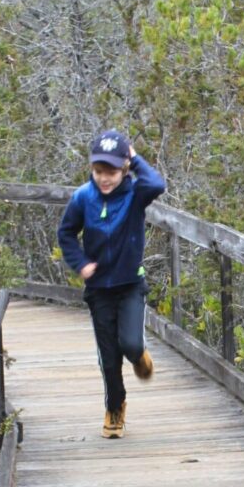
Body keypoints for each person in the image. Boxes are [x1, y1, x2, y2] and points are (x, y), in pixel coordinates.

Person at [57, 129, 167, 437]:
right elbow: (66, 233)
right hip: (99, 290)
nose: (105, 178)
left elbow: (157, 184)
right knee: (108, 359)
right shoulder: (83, 198)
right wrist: (81, 264)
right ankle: (115, 409)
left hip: (130, 284)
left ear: (124, 169)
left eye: (112, 171)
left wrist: (134, 158)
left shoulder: (135, 194)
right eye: (99, 171)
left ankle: (140, 357)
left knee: (130, 343)